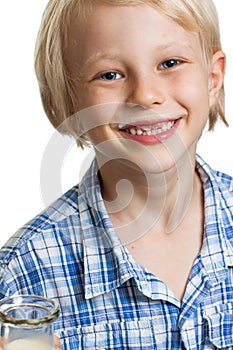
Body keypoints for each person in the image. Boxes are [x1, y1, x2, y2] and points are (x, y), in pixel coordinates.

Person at [0, 0, 232, 348]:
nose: (146, 94)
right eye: (110, 74)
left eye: (170, 63)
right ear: (70, 97)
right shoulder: (23, 274)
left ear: (212, 78)